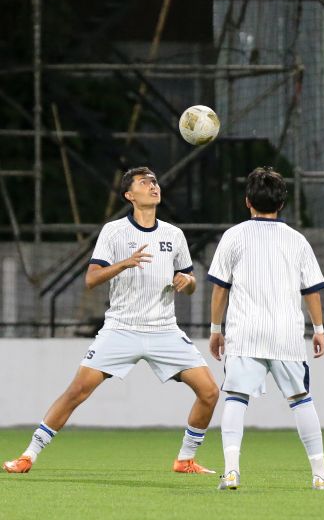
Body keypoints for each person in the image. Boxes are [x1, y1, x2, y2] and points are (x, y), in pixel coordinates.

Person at [3, 167, 219, 475]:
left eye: (155, 181)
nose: (153, 186)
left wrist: (188, 282)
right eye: (145, 182)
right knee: (77, 391)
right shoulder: (115, 231)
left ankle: (185, 459)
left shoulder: (174, 234)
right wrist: (124, 263)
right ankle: (28, 455)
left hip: (164, 330)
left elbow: (190, 279)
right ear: (130, 195)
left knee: (210, 391)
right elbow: (91, 279)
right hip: (121, 329)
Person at [208, 166, 324, 491]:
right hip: (286, 335)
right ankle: (320, 474)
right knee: (301, 400)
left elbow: (220, 289)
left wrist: (215, 328)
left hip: (245, 333)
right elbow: (311, 290)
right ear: (281, 203)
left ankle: (230, 471)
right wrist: (319, 329)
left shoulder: (234, 236)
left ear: (247, 201)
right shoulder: (296, 240)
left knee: (236, 399)